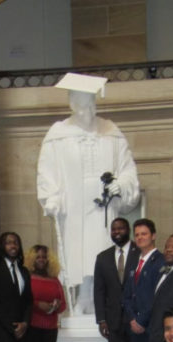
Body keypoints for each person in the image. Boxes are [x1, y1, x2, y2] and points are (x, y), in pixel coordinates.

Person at [37, 74, 140, 312]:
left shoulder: (112, 132)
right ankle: (83, 298)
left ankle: (100, 299)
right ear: (72, 104)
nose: (87, 110)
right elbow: (46, 171)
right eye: (81, 105)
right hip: (73, 204)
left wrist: (121, 185)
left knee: (101, 248)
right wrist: (51, 197)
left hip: (104, 208)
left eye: (91, 104)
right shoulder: (58, 133)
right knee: (78, 253)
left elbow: (128, 170)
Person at [93, 217, 138, 342]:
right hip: (113, 321)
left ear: (128, 230)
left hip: (137, 321)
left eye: (121, 228)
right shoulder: (103, 257)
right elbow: (99, 291)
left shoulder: (140, 253)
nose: (117, 231)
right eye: (114, 229)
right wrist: (101, 319)